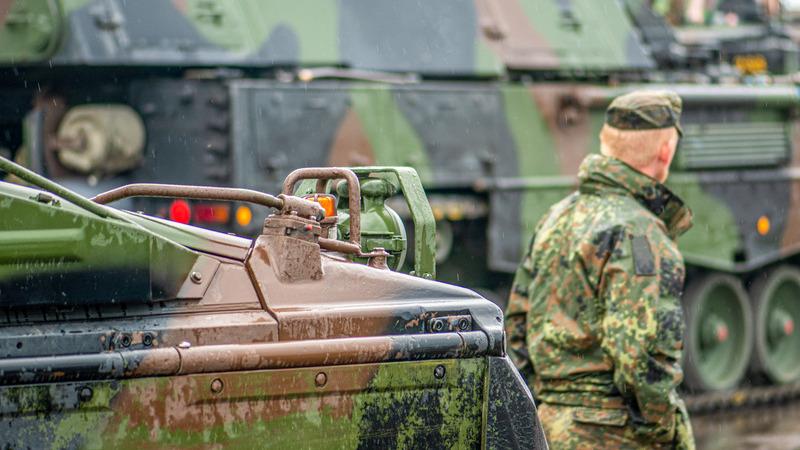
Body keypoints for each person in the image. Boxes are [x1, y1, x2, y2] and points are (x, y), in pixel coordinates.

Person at [504, 90, 696, 449]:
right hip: (612, 434)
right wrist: (662, 429)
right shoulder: (641, 233)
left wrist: (547, 405)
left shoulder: (558, 217)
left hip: (550, 427)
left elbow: (517, 324)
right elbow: (640, 356)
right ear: (665, 151)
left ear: (606, 144)